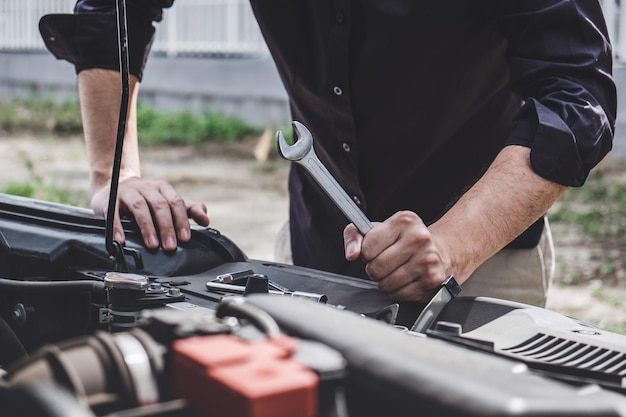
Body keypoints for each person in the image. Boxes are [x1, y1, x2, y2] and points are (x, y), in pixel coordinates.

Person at [39, 0, 617, 307]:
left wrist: (455, 242)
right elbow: (113, 10)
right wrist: (113, 173)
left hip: (483, 264)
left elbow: (576, 94)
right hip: (313, 247)